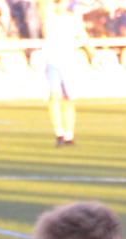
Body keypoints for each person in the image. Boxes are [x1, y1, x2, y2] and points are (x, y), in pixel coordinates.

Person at [38, 0, 82, 145]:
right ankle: (59, 132)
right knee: (55, 96)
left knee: (69, 99)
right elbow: (42, 6)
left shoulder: (72, 19)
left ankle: (69, 133)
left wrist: (93, 54)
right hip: (53, 62)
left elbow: (83, 36)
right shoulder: (49, 18)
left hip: (69, 62)